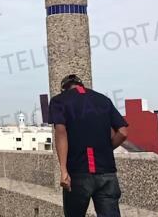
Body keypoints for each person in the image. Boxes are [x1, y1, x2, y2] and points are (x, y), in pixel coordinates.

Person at [49, 74, 129, 217]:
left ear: (64, 89)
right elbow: (123, 133)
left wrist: (63, 171)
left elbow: (61, 132)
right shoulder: (104, 100)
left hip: (78, 172)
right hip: (107, 171)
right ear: (81, 85)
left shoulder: (59, 101)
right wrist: (105, 150)